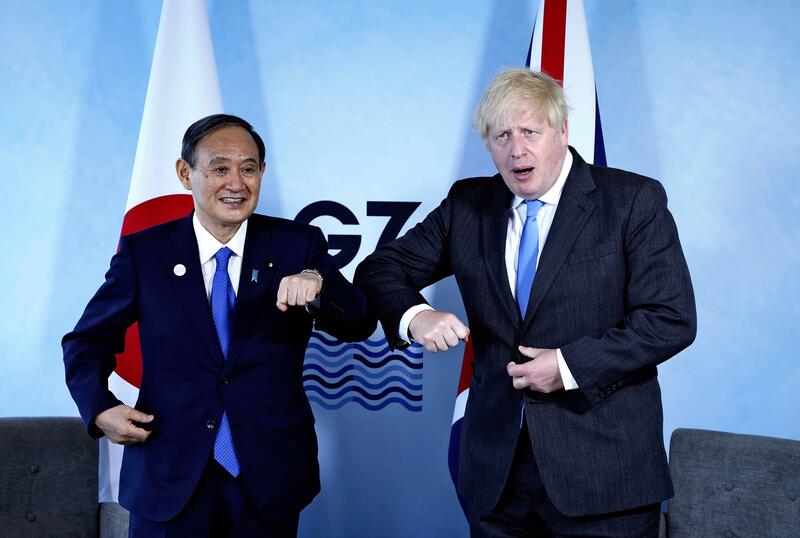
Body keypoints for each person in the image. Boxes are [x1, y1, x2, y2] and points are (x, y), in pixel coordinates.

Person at [354, 69, 696, 537]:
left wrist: (568, 366)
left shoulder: (632, 199)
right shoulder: (468, 205)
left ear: (562, 131)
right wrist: (417, 315)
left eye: (530, 132)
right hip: (497, 477)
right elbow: (380, 269)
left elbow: (670, 319)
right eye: (502, 136)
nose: (516, 150)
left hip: (605, 475)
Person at [63, 113, 375, 537]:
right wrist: (100, 407)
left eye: (248, 169)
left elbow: (359, 322)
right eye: (220, 168)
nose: (236, 183)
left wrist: (320, 285)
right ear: (185, 173)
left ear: (262, 173)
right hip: (169, 474)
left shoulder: (298, 245)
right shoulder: (146, 253)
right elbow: (86, 342)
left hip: (268, 477)